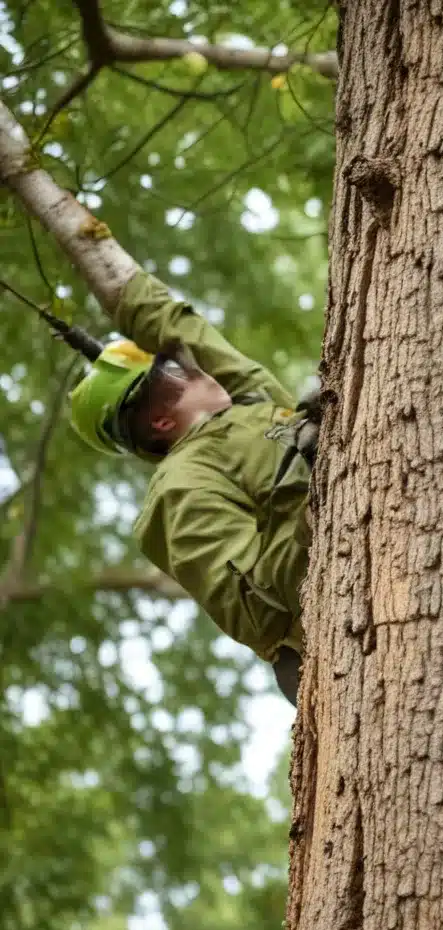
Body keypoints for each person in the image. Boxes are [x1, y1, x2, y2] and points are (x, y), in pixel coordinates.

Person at [67, 271, 318, 705]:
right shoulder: (179, 485)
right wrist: (320, 487)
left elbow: (180, 327)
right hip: (339, 631)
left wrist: (115, 278)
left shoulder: (251, 405)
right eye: (174, 370)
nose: (194, 367)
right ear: (162, 420)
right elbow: (260, 608)